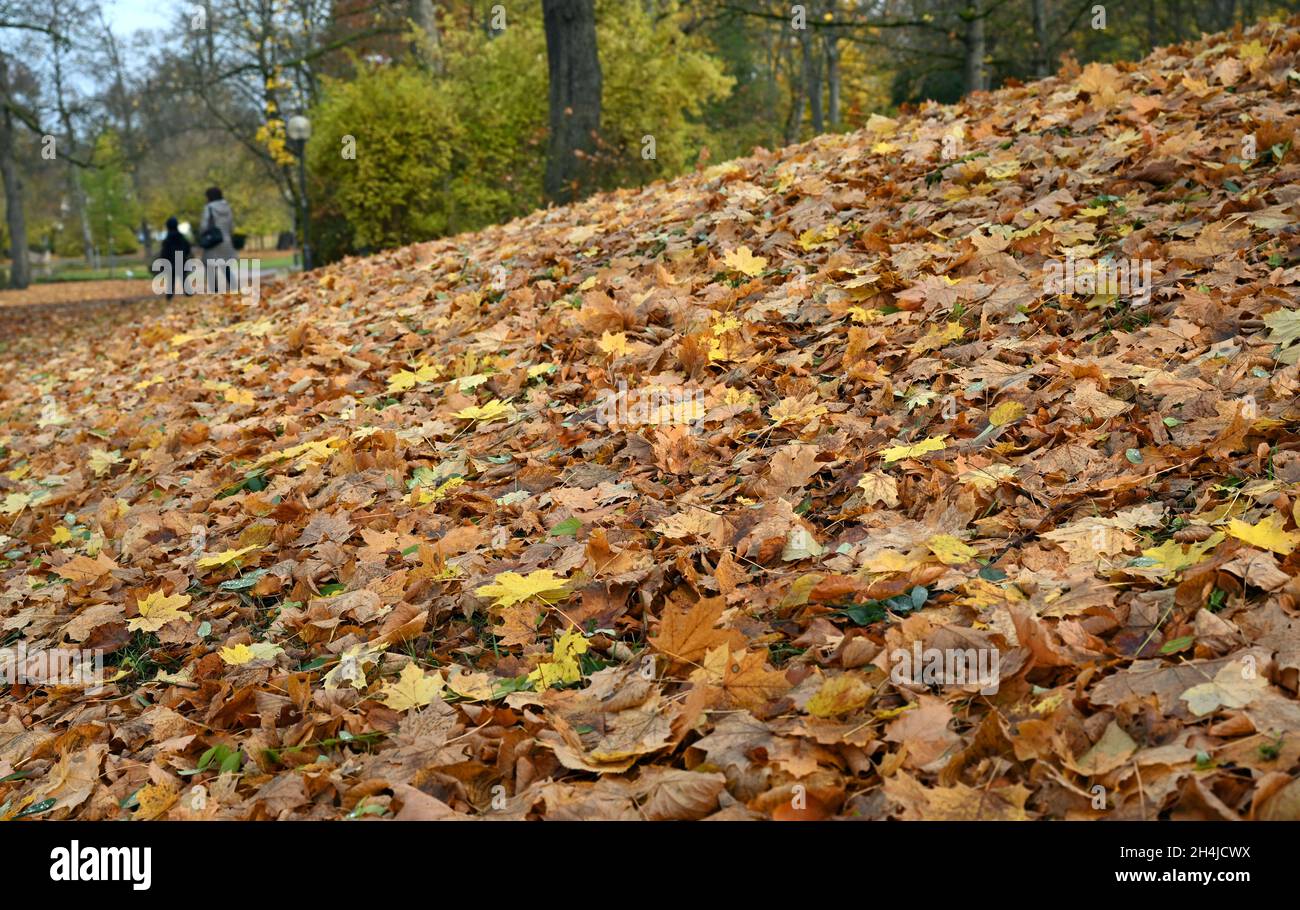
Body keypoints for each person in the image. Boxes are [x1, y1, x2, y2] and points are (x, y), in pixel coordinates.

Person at [199, 186, 238, 293]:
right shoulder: (227, 207)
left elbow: (204, 226)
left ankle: (215, 291)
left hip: (213, 240)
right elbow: (231, 226)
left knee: (210, 266)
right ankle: (234, 287)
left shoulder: (209, 208)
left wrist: (203, 234)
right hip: (225, 240)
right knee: (225, 266)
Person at [156, 217, 191, 300]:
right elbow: (187, 247)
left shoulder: (167, 239)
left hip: (171, 261)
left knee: (171, 279)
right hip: (181, 259)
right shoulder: (181, 237)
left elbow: (164, 252)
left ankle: (169, 295)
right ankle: (188, 292)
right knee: (183, 277)